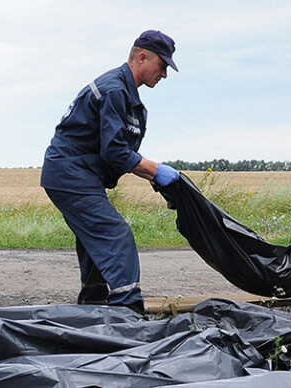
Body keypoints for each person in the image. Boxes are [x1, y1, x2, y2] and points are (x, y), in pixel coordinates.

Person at [40, 30, 181, 314]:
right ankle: (126, 311)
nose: (164, 74)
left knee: (94, 236)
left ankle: (93, 305)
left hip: (76, 173)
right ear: (142, 57)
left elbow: (117, 154)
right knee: (115, 234)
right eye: (162, 65)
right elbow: (115, 152)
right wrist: (155, 169)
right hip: (70, 173)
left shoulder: (125, 94)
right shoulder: (115, 89)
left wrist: (155, 178)